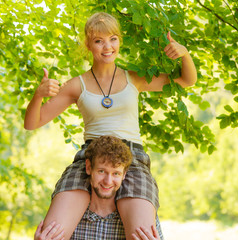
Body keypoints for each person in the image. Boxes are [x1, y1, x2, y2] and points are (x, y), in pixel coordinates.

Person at [24, 11, 197, 240]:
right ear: (88, 44)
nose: (107, 46)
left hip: (132, 160)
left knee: (142, 236)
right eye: (99, 40)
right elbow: (32, 122)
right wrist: (38, 96)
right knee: (51, 235)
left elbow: (186, 80)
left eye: (112, 39)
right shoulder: (77, 85)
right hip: (91, 159)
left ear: (119, 41)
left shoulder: (134, 78)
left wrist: (185, 55)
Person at [34, 135, 162, 240]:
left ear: (124, 174)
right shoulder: (68, 215)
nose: (108, 181)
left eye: (116, 173)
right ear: (89, 168)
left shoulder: (139, 217)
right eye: (101, 171)